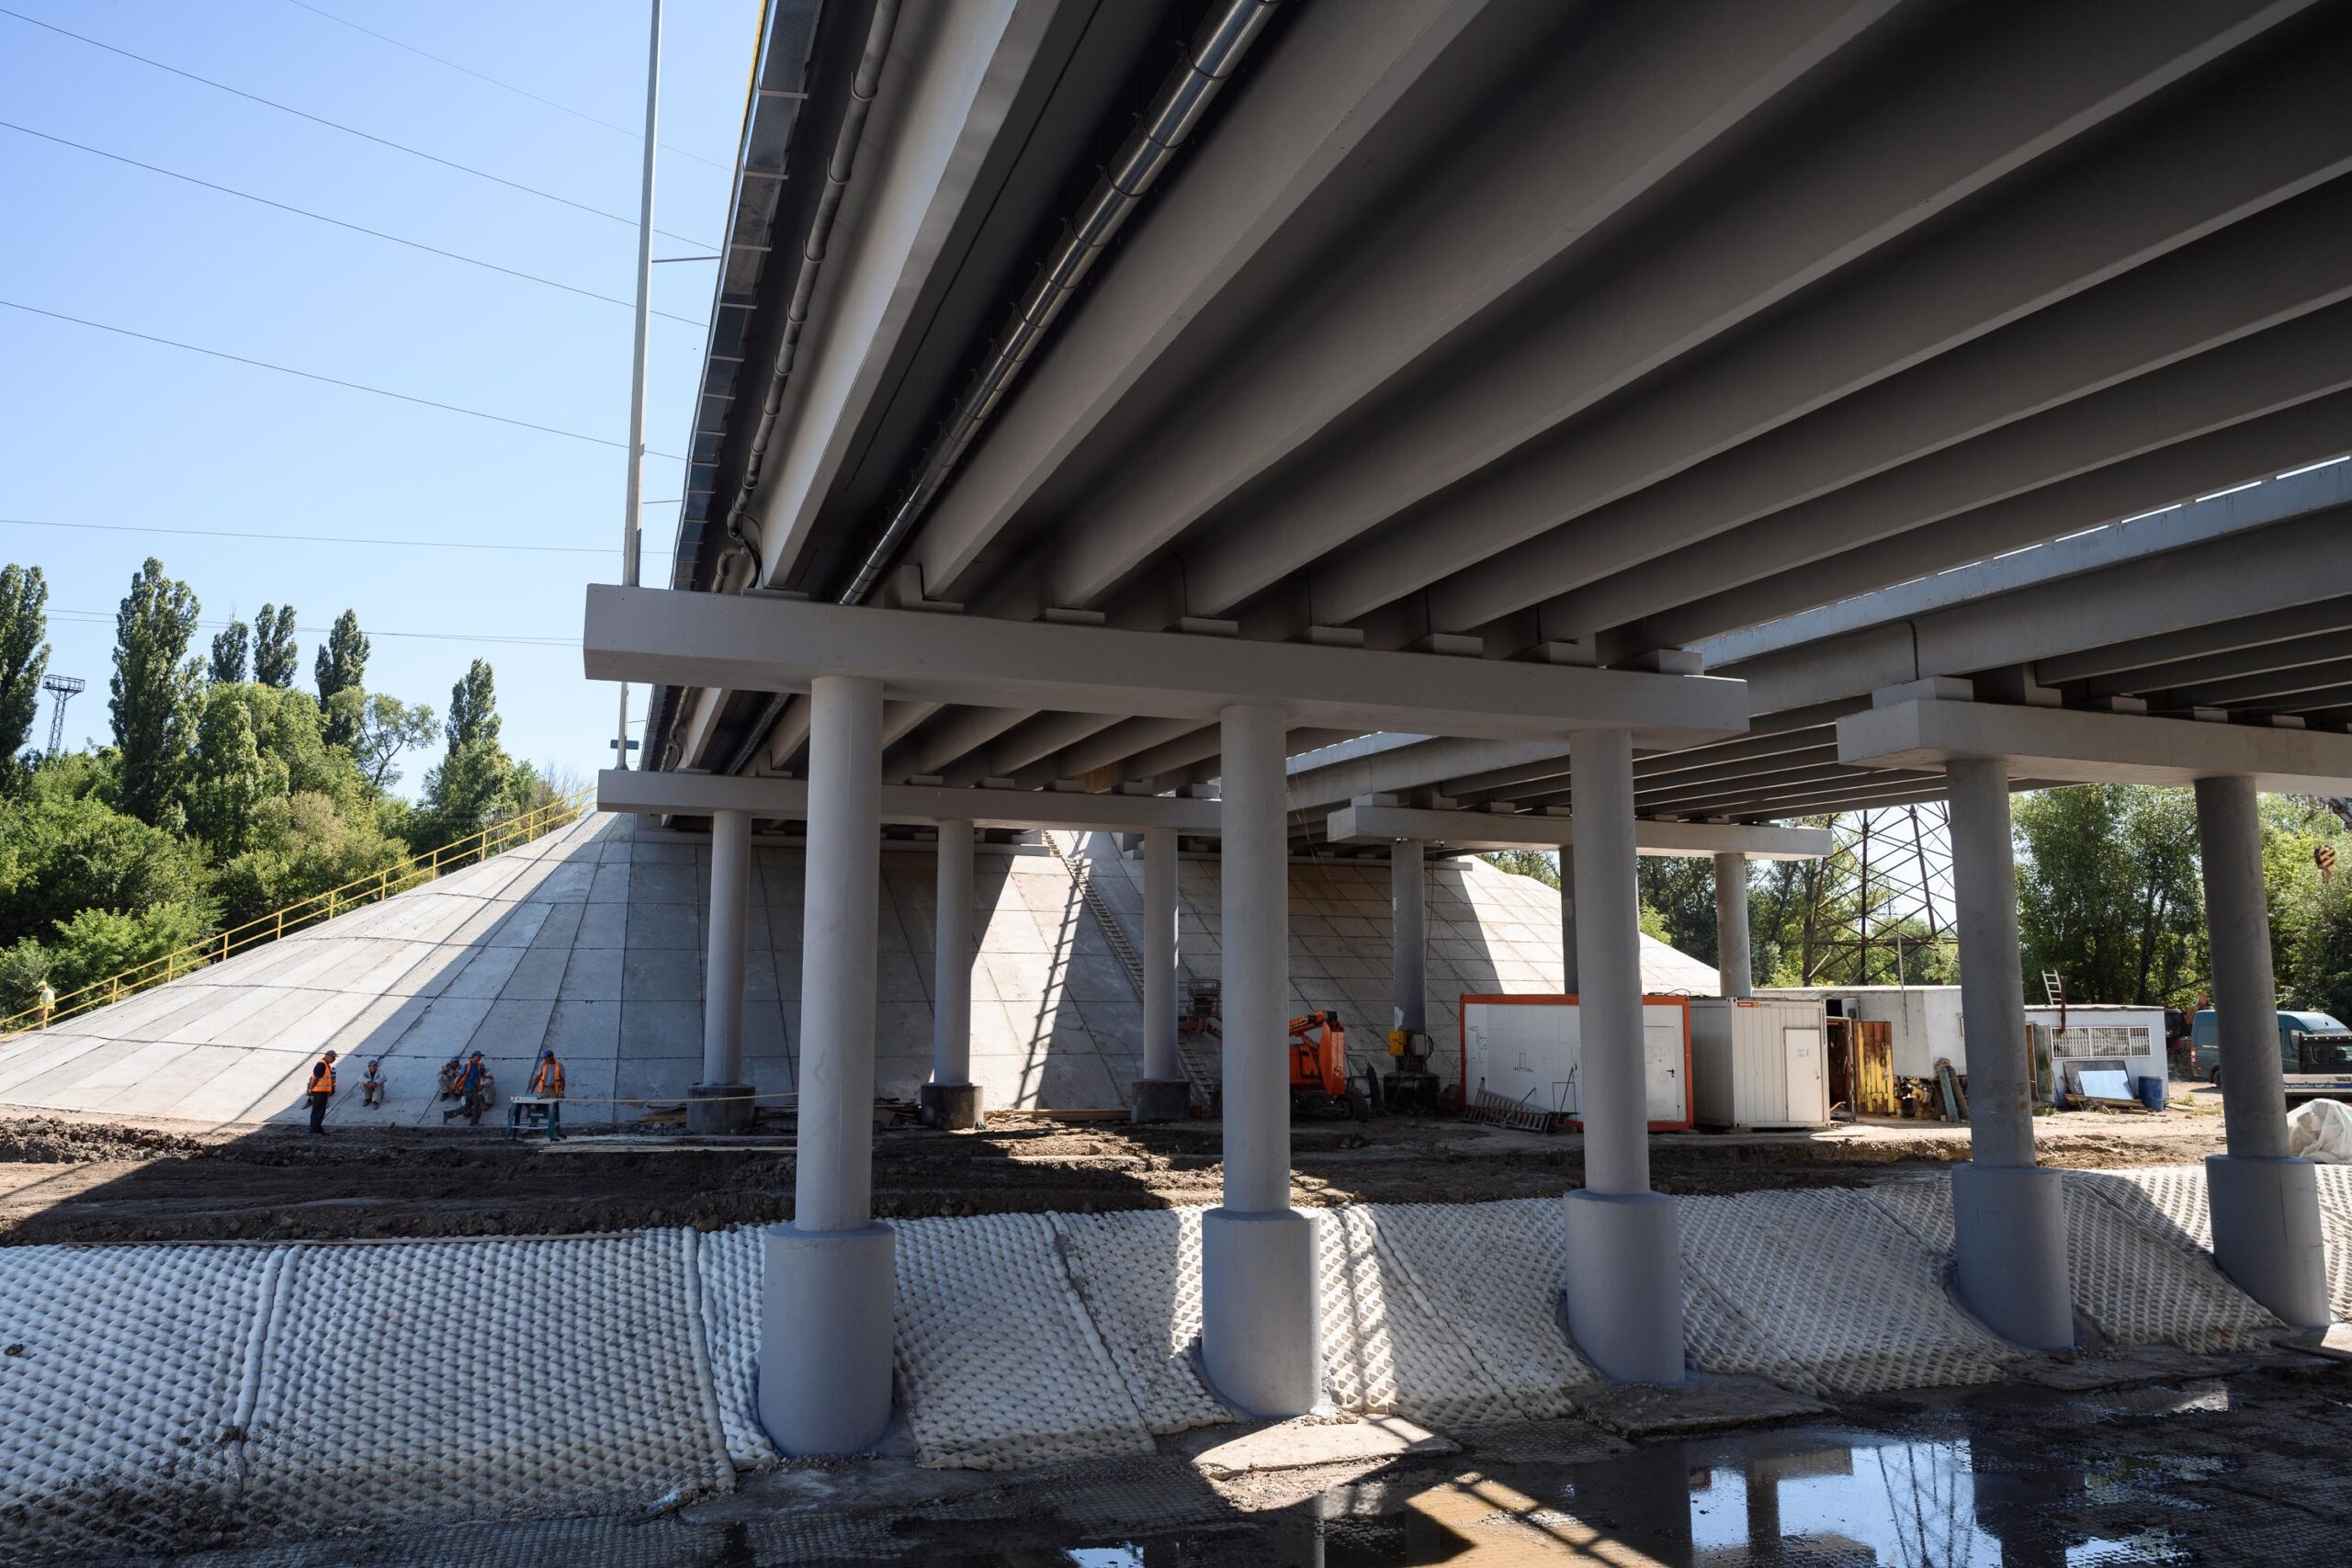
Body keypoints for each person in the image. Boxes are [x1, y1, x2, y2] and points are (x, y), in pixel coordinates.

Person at [442, 1050, 491, 1126]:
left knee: (466, 1107)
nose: (480, 1058)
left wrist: (487, 1077)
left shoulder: (478, 1065)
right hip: (468, 1089)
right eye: (479, 1056)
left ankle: (448, 1114)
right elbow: (460, 1076)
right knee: (478, 1105)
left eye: (480, 1056)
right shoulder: (467, 1065)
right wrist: (454, 1087)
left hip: (474, 1088)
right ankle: (474, 1122)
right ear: (474, 1056)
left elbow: (481, 1075)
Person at [306, 1050, 337, 1135]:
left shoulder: (326, 1065)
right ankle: (313, 1130)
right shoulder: (321, 1064)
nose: (334, 1059)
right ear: (328, 1056)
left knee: (321, 1111)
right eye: (333, 1057)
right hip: (318, 1092)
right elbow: (316, 1078)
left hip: (323, 1092)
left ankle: (318, 1128)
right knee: (317, 1111)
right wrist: (311, 1089)